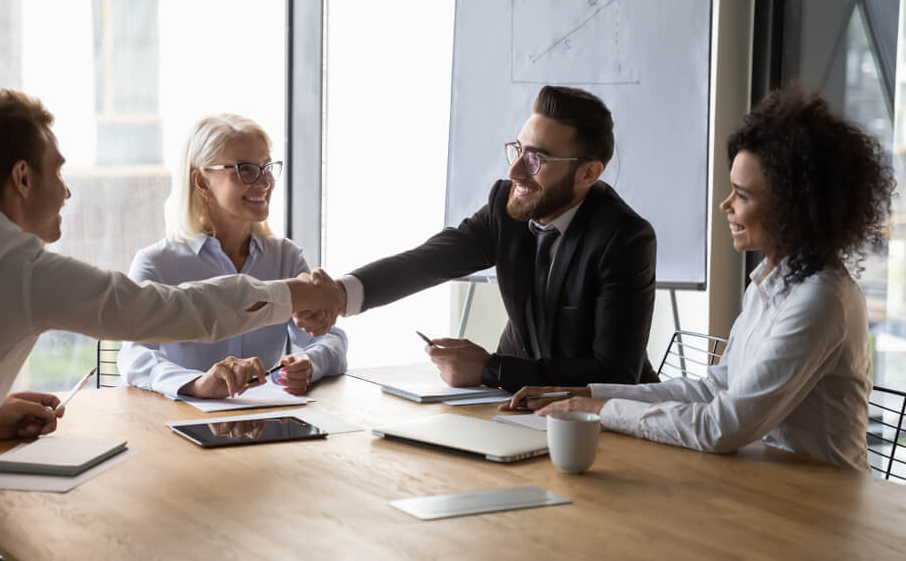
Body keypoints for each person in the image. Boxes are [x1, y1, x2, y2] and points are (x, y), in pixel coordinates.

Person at [0, 89, 342, 556]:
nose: (68, 190)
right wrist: (301, 292)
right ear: (22, 178)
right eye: (57, 170)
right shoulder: (14, 266)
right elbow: (169, 312)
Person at [503, 84, 894, 471]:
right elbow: (713, 388)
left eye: (742, 195)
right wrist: (583, 393)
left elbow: (721, 425)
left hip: (824, 508)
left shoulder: (821, 299)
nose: (726, 205)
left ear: (793, 209)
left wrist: (600, 409)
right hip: (764, 486)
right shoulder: (772, 282)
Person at [299, 85, 659, 393]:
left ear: (587, 173)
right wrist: (341, 294)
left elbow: (615, 375)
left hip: (609, 427)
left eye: (537, 159)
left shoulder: (624, 239)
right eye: (518, 150)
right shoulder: (508, 206)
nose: (515, 170)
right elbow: (431, 260)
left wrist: (491, 370)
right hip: (518, 411)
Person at [118, 114, 347, 399]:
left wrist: (311, 363)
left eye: (266, 167)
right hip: (180, 424)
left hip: (263, 424)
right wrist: (198, 383)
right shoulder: (156, 263)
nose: (264, 182)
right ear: (202, 181)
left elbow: (331, 336)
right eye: (246, 170)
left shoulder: (284, 257)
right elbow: (133, 357)